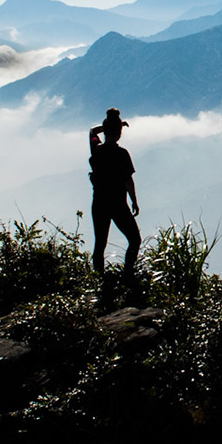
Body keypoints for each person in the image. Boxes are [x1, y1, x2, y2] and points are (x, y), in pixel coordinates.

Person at [88, 107, 143, 303]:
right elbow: (128, 180)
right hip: (118, 204)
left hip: (99, 203)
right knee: (134, 240)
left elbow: (92, 133)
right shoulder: (122, 154)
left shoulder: (97, 150)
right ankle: (128, 276)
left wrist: (106, 127)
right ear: (119, 132)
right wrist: (134, 201)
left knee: (99, 245)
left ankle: (99, 283)